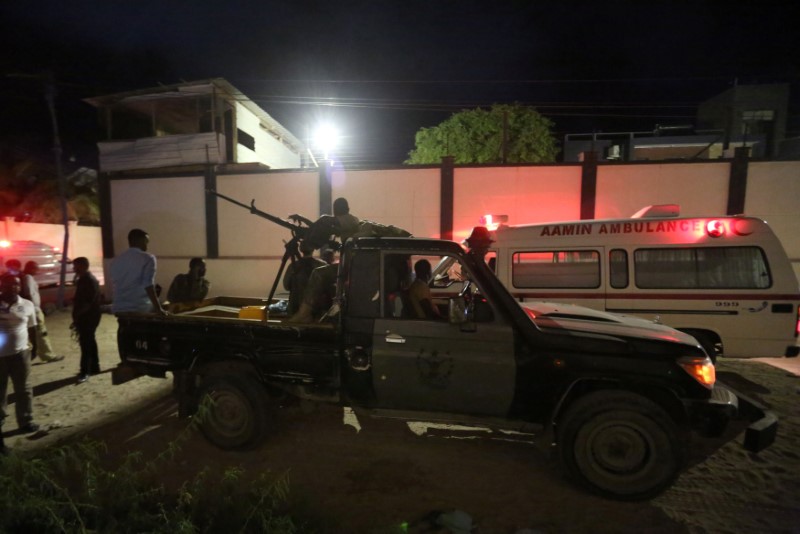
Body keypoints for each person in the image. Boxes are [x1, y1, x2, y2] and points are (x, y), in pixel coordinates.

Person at [0, 273, 40, 448]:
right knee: (0, 390)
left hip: (21, 353)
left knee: (24, 389)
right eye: (9, 284)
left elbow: (32, 328)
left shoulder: (27, 305)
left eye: (16, 284)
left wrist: (35, 348)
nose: (13, 287)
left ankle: (26, 421)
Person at [10, 260, 64, 363]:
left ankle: (28, 356)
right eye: (36, 268)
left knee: (30, 334)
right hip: (34, 309)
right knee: (41, 332)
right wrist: (32, 310)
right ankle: (48, 355)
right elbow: (29, 293)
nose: (37, 271)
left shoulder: (24, 277)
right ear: (31, 268)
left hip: (29, 309)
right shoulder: (28, 278)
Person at [110, 228, 166, 315]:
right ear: (138, 241)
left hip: (119, 307)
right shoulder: (148, 258)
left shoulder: (116, 260)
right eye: (146, 242)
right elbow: (148, 285)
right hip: (140, 307)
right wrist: (158, 308)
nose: (146, 246)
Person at [71, 257, 102, 383]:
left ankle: (85, 371)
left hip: (88, 316)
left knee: (85, 343)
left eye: (76, 266)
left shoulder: (88, 280)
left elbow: (88, 302)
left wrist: (77, 316)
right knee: (89, 340)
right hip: (89, 315)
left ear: (83, 266)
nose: (74, 269)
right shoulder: (84, 279)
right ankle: (94, 367)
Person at [282, 241, 325, 316]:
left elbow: (286, 286)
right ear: (313, 249)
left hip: (295, 309)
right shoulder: (321, 265)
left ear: (300, 249)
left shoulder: (293, 266)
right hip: (316, 309)